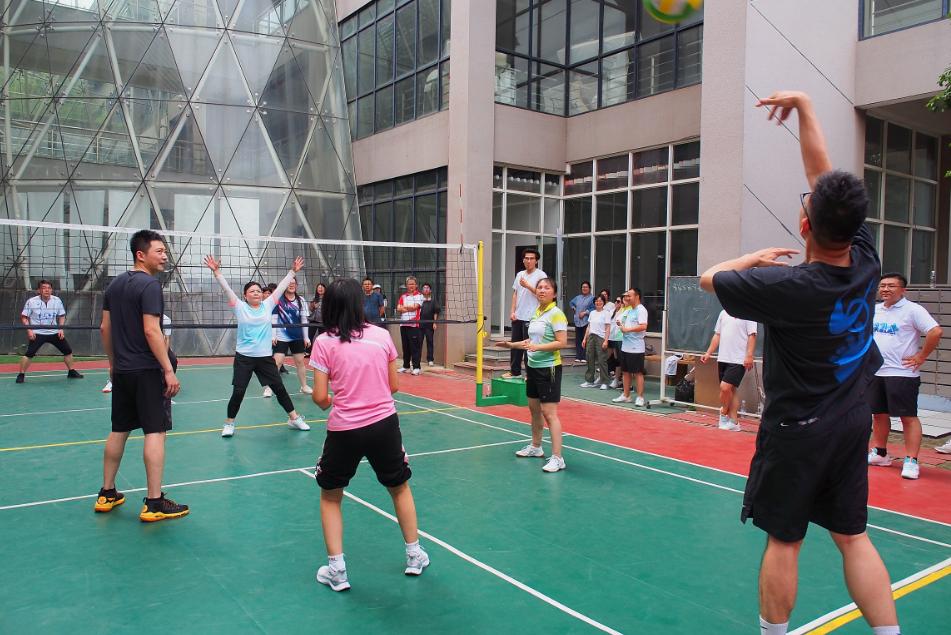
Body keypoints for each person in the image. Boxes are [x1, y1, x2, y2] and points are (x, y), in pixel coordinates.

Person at [700, 90, 899, 635]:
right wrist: (806, 107)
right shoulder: (866, 258)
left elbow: (710, 278)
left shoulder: (787, 286)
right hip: (851, 421)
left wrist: (752, 258)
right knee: (852, 537)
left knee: (785, 539)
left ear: (805, 227)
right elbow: (823, 176)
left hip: (797, 431)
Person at [309, 278, 429, 591]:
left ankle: (337, 571)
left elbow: (320, 398)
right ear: (358, 304)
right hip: (384, 425)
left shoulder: (324, 342)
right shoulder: (381, 336)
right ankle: (414, 556)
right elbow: (393, 386)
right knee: (399, 488)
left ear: (330, 306)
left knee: (331, 496)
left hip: (345, 429)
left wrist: (337, 399)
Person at [95, 229, 188, 522]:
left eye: (165, 251)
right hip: (147, 370)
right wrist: (168, 369)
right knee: (155, 432)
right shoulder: (149, 285)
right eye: (159, 251)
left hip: (123, 370)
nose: (165, 256)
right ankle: (154, 502)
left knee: (119, 429)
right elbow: (151, 330)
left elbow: (105, 328)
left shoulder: (114, 285)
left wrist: (113, 364)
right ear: (141, 254)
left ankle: (107, 493)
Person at [204, 255, 310, 438]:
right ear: (245, 295)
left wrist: (292, 271)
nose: (256, 293)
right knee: (239, 391)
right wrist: (216, 272)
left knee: (279, 388)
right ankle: (229, 423)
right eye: (252, 291)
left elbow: (282, 286)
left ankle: (294, 418)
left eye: (259, 291)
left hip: (264, 358)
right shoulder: (239, 306)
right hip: (244, 357)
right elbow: (226, 288)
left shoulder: (268, 305)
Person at [867, 272, 943, 480]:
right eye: (882, 285)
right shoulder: (875, 310)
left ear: (903, 290)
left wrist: (921, 356)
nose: (885, 289)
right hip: (876, 372)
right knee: (878, 415)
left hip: (902, 374)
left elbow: (935, 331)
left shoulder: (913, 310)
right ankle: (880, 453)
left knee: (907, 417)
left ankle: (911, 460)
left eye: (891, 286)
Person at [498, 278, 568, 473]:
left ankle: (558, 458)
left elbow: (562, 342)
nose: (542, 290)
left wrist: (538, 347)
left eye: (547, 288)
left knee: (549, 413)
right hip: (533, 367)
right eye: (539, 287)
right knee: (534, 410)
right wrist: (512, 345)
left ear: (554, 293)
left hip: (549, 368)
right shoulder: (537, 312)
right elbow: (531, 340)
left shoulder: (556, 314)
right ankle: (536, 447)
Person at [700, 310, 758, 431]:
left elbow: (752, 335)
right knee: (731, 391)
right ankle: (734, 422)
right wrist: (708, 353)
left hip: (738, 360)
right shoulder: (723, 313)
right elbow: (717, 335)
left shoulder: (748, 312)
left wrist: (749, 355)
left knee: (725, 387)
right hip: (723, 358)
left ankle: (723, 412)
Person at [16, 280, 84, 383]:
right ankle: (21, 374)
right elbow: (24, 317)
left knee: (68, 351)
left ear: (51, 290)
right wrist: (29, 330)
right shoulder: (31, 301)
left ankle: (71, 371)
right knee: (29, 354)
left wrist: (60, 329)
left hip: (54, 332)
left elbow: (61, 316)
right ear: (39, 290)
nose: (47, 290)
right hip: (38, 333)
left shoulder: (57, 300)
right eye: (44, 288)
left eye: (49, 288)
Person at [503, 248, 547, 379]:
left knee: (529, 346)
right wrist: (512, 311)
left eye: (531, 258)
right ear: (523, 260)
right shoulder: (519, 274)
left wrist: (527, 285)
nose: (529, 261)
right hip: (518, 315)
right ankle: (514, 371)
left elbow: (542, 294)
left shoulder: (541, 275)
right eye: (526, 258)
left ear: (536, 261)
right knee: (515, 345)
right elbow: (515, 294)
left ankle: (530, 374)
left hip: (532, 317)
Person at [269, 277, 313, 397]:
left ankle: (304, 386)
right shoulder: (278, 300)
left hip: (297, 336)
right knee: (277, 362)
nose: (291, 285)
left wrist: (306, 337)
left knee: (300, 362)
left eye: (294, 283)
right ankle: (269, 388)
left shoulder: (301, 300)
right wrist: (273, 335)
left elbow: (304, 320)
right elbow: (274, 318)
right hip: (281, 336)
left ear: (296, 285)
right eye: (289, 283)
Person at [612, 288, 648, 406]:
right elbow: (619, 320)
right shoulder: (629, 310)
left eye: (629, 296)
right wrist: (621, 325)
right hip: (625, 346)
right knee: (625, 372)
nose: (627, 298)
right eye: (626, 296)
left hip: (636, 347)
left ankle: (640, 397)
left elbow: (643, 326)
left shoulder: (641, 310)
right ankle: (626, 395)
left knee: (638, 373)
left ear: (637, 297)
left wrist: (627, 329)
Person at [580, 295, 610, 390]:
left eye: (600, 301)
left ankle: (604, 381)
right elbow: (589, 326)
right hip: (591, 337)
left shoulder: (606, 313)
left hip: (601, 337)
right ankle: (589, 381)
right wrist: (584, 339)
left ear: (604, 302)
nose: (598, 302)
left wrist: (606, 340)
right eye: (596, 301)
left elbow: (608, 328)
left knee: (602, 360)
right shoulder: (592, 313)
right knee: (589, 359)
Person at [396, 276, 425, 375]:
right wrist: (407, 308)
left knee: (415, 347)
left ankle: (416, 367)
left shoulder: (420, 296)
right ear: (406, 285)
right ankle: (406, 366)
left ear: (416, 285)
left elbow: (415, 307)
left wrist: (404, 308)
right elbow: (398, 308)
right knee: (405, 347)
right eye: (409, 284)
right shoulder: (403, 296)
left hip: (414, 325)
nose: (411, 285)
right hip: (403, 324)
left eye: (413, 284)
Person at [569, 282, 595, 365]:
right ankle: (578, 356)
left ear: (589, 288)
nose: (584, 288)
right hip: (577, 322)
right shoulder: (578, 297)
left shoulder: (592, 298)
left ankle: (584, 357)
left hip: (586, 321)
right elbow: (571, 303)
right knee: (578, 339)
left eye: (586, 287)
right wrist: (573, 308)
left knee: (585, 339)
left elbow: (593, 308)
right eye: (583, 287)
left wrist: (585, 313)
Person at [420, 283, 441, 366]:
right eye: (424, 288)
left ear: (430, 290)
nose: (426, 289)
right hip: (419, 325)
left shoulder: (433, 300)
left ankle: (430, 360)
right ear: (422, 290)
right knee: (418, 343)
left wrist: (434, 323)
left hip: (429, 325)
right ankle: (416, 359)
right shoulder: (419, 300)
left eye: (427, 288)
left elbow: (436, 312)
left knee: (430, 342)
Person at [606, 296, 624, 388]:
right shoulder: (611, 311)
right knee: (606, 357)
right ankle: (603, 376)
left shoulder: (623, 312)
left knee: (618, 359)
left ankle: (617, 379)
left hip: (618, 338)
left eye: (618, 301)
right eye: (615, 301)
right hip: (610, 337)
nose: (616, 303)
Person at [307, 282, 327, 348]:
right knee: (310, 336)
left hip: (323, 321)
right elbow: (310, 310)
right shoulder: (314, 298)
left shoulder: (328, 298)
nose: (320, 289)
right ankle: (308, 351)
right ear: (317, 289)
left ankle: (322, 350)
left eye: (322, 287)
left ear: (325, 289)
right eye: (319, 287)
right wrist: (313, 307)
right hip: (313, 320)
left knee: (323, 338)